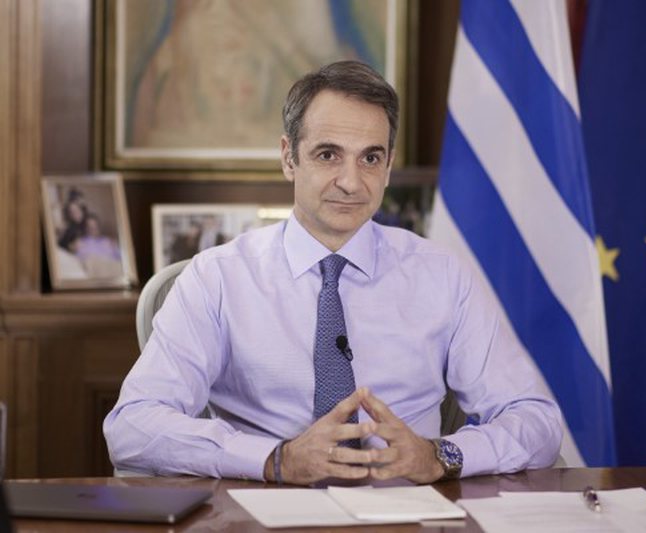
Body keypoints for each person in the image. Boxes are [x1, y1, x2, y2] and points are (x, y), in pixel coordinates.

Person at [104, 61, 562, 485]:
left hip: (408, 515)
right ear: (289, 158)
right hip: (265, 510)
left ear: (388, 165)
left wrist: (440, 455)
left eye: (370, 158)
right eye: (328, 155)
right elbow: (133, 426)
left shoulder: (443, 275)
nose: (351, 181)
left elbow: (536, 421)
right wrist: (275, 459)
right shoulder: (217, 278)